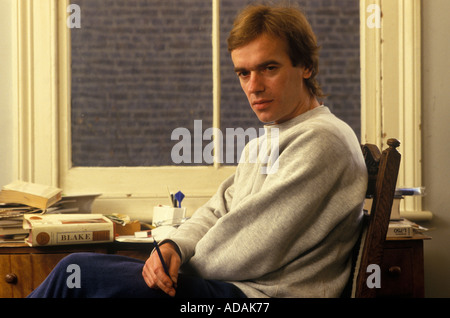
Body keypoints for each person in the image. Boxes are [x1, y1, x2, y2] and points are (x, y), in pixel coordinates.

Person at [28, 3, 367, 298]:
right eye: (243, 73)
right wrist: (173, 246)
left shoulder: (321, 140)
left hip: (254, 295)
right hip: (234, 287)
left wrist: (173, 266)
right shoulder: (267, 140)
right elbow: (217, 211)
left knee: (77, 275)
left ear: (305, 66)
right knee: (80, 271)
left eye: (269, 68)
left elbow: (250, 247)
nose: (254, 86)